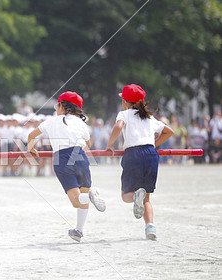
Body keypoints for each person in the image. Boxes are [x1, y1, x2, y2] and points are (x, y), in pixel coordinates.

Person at [27, 91, 106, 242]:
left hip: (61, 158)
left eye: (57, 105)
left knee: (76, 200)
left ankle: (89, 197)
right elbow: (88, 145)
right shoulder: (81, 123)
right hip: (80, 156)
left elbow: (31, 136)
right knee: (82, 196)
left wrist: (31, 148)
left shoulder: (52, 121)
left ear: (62, 106)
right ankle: (78, 230)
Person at [106, 84, 174, 240]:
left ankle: (136, 196)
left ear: (125, 102)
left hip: (133, 154)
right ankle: (150, 227)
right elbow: (169, 131)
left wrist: (110, 145)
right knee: (146, 198)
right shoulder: (149, 117)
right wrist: (152, 143)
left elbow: (118, 127)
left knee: (125, 196)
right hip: (151, 154)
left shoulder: (124, 114)